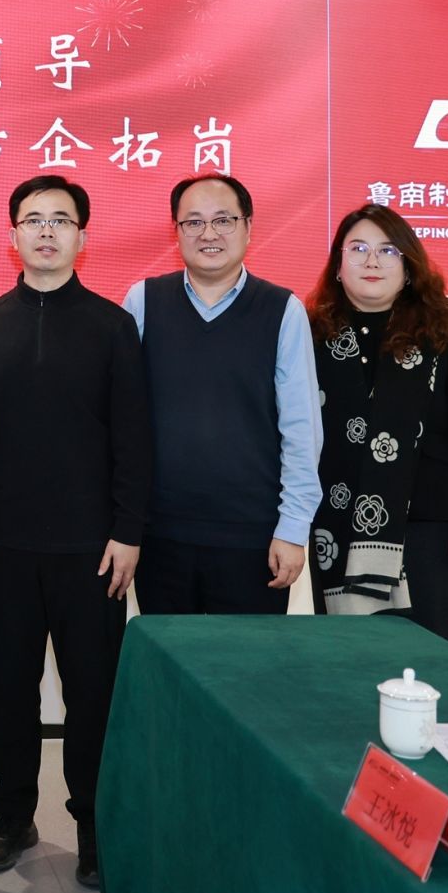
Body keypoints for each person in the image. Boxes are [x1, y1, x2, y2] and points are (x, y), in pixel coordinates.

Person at [0, 175, 149, 891]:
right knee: (7, 692)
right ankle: (12, 815)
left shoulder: (113, 326)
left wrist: (129, 531)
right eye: (33, 219)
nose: (46, 231)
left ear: (82, 236)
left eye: (61, 220)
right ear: (12, 234)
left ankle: (95, 824)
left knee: (93, 699)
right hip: (4, 549)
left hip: (92, 551)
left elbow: (134, 439)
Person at [123, 174, 321, 614]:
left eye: (223, 220)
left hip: (253, 537)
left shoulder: (282, 310)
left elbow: (302, 429)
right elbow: (121, 419)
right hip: (159, 535)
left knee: (246, 658)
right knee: (170, 656)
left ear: (248, 227)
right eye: (193, 222)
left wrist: (293, 529)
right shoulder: (143, 301)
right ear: (176, 232)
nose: (208, 234)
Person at [305, 203, 448, 644]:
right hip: (336, 526)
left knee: (432, 661)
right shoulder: (311, 333)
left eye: (388, 250)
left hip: (429, 529)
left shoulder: (442, 330)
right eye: (358, 249)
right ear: (338, 266)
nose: (372, 261)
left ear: (409, 267)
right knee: (350, 660)